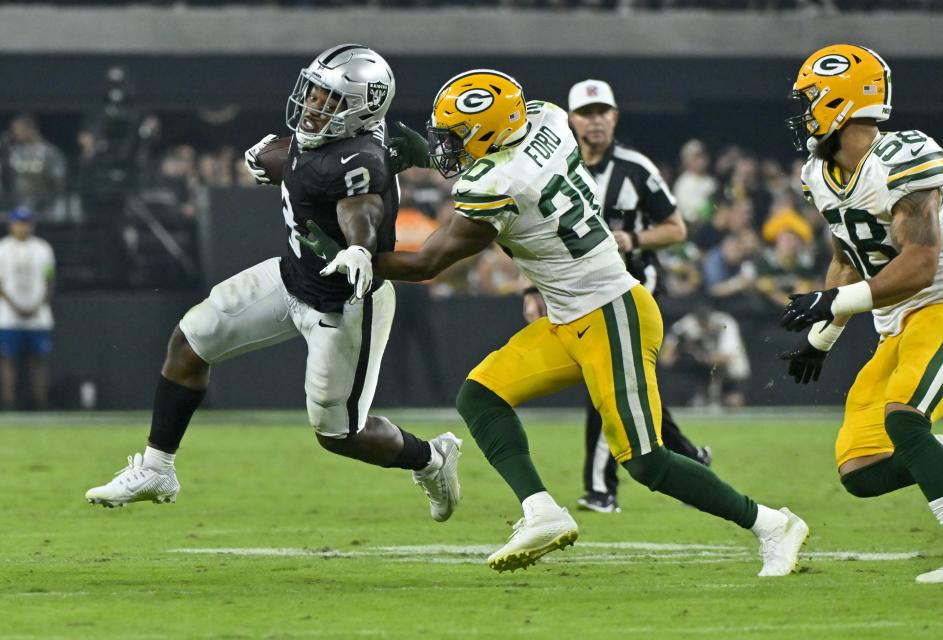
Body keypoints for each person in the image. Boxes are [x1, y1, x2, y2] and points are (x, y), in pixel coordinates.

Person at [302, 69, 809, 575]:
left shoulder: (497, 183)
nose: (446, 148)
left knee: (647, 461)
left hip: (613, 314)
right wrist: (433, 155)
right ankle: (541, 511)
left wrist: (360, 256)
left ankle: (771, 524)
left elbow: (427, 263)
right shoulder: (548, 120)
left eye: (455, 136)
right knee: (480, 395)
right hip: (571, 317)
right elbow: (500, 149)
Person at [85, 45, 462, 525]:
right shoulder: (341, 140)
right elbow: (314, 161)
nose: (311, 105)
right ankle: (158, 468)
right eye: (314, 92)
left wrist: (359, 248)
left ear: (359, 109)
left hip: (344, 302)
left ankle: (430, 458)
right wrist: (277, 158)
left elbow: (359, 208)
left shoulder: (358, 157)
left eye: (328, 99)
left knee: (338, 434)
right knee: (190, 340)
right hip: (291, 277)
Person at [779, 44, 943, 584]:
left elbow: (921, 265)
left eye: (810, 97)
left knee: (904, 418)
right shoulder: (819, 173)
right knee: (860, 469)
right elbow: (845, 257)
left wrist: (835, 303)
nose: (803, 109)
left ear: (842, 100)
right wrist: (825, 334)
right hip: (894, 324)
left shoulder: (903, 156)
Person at [556, 79, 710, 514]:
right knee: (626, 387)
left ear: (615, 117)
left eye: (603, 111)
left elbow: (676, 228)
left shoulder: (636, 167)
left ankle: (600, 489)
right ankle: (688, 456)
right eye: (587, 113)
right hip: (580, 292)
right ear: (571, 119)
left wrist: (634, 238)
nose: (596, 119)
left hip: (635, 287)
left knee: (604, 383)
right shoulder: (558, 168)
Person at [0, 206, 55, 410]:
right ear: (11, 225)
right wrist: (15, 305)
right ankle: (8, 402)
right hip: (8, 315)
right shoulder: (2, 248)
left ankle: (41, 401)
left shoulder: (43, 248)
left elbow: (50, 279)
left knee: (39, 360)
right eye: (18, 223)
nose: (22, 227)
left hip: (38, 315)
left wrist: (39, 305)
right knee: (7, 359)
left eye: (26, 223)